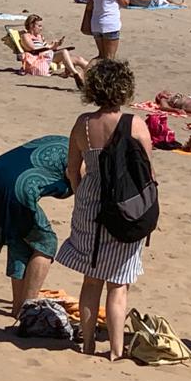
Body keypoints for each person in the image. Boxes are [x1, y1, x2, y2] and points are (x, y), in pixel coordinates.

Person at [56, 59, 152, 359]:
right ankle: (115, 349)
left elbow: (73, 169)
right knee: (118, 284)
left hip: (90, 202)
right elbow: (146, 172)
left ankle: (86, 344)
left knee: (91, 280)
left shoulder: (83, 123)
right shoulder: (134, 124)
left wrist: (81, 194)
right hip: (125, 205)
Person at [0, 137, 73, 319]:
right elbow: (81, 186)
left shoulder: (64, 141)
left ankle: (18, 308)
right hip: (16, 187)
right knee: (45, 242)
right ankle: (28, 309)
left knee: (18, 238)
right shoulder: (84, 158)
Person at [19, 14, 89, 87]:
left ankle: (94, 73)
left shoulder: (40, 36)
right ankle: (75, 74)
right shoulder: (26, 36)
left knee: (78, 59)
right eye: (39, 26)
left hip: (48, 56)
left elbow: (46, 47)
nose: (41, 28)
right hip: (38, 59)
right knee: (64, 52)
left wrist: (55, 45)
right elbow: (33, 49)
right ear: (31, 26)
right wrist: (50, 47)